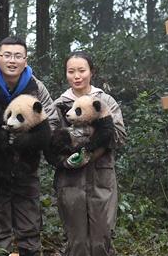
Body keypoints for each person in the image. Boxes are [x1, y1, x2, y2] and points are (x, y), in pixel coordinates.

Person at [0, 36, 60, 256]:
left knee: (30, 228)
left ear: (25, 61)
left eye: (18, 56)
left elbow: (51, 121)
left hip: (27, 167)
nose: (12, 60)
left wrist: (28, 138)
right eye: (7, 55)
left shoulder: (36, 87)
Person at [50, 51, 126, 256]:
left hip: (101, 176)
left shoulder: (105, 101)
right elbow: (49, 144)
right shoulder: (59, 105)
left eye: (82, 70)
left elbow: (119, 135)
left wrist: (86, 138)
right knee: (77, 241)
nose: (77, 76)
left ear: (91, 72)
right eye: (71, 71)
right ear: (65, 74)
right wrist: (66, 161)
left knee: (102, 237)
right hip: (70, 180)